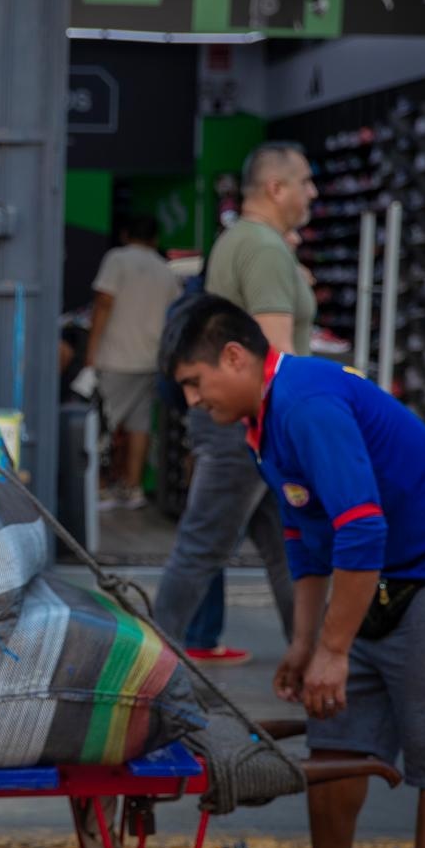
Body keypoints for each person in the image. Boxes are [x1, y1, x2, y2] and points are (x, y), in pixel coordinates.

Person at [161, 295, 425, 848]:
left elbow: (360, 528)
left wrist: (334, 646)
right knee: (338, 732)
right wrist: (305, 641)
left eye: (196, 383)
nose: (195, 401)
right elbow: (308, 534)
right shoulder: (261, 423)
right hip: (375, 576)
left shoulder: (306, 403)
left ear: (236, 356)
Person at [152, 141, 320, 665]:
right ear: (276, 188)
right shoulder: (265, 249)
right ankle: (152, 661)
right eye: (306, 181)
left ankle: (313, 652)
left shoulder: (242, 240)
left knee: (289, 548)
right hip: (246, 426)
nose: (312, 192)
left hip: (246, 425)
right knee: (205, 545)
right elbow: (277, 358)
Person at [78, 214, 181, 511]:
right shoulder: (165, 270)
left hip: (116, 356)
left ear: (125, 234)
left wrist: (92, 351)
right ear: (155, 239)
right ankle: (132, 487)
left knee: (100, 424)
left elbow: (103, 303)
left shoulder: (117, 259)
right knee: (139, 425)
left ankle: (99, 488)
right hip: (151, 358)